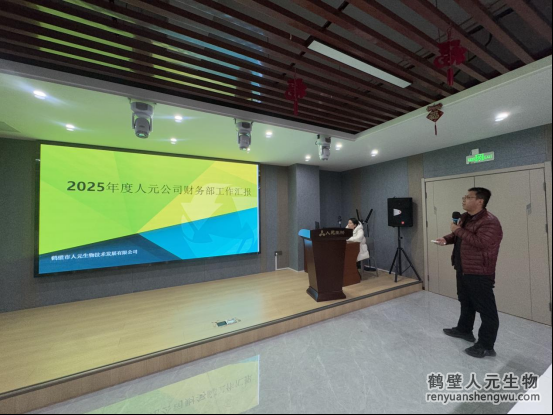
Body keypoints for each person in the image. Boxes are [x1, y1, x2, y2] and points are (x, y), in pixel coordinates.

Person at [435, 187, 503, 359]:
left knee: (486, 309)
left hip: (479, 271)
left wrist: (457, 230)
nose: (464, 199)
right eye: (464, 196)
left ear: (480, 201)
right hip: (463, 268)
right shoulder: (465, 217)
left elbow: (481, 242)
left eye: (468, 197)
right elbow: (459, 235)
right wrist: (447, 239)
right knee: (465, 301)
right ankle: (464, 330)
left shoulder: (490, 222)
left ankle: (486, 346)